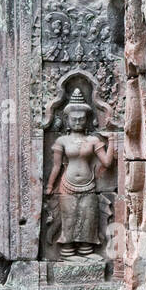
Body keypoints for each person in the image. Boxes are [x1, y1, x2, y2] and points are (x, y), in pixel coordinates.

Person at [45, 88, 115, 257]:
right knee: (69, 219)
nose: (77, 121)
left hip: (89, 185)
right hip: (67, 185)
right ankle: (67, 251)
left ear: (87, 119)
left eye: (81, 118)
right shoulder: (62, 140)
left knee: (88, 219)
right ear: (67, 120)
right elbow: (56, 166)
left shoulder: (93, 140)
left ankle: (86, 250)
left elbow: (107, 162)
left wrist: (112, 141)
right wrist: (49, 185)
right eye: (73, 118)